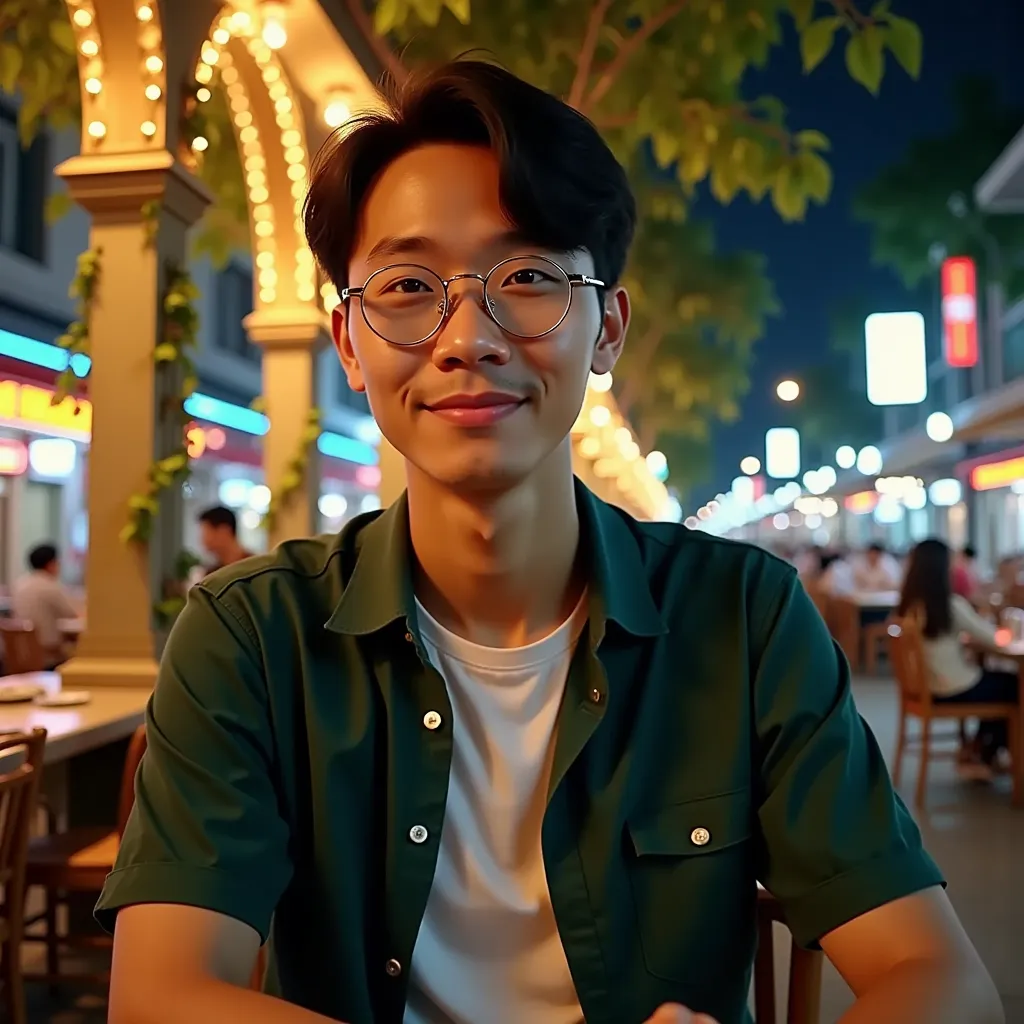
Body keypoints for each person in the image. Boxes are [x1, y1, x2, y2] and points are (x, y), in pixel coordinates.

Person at [98, 61, 1002, 1024]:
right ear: (350, 342)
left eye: (525, 277)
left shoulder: (742, 621)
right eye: (408, 286)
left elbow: (940, 981)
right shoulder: (254, 637)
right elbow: (159, 995)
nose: (466, 336)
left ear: (606, 326)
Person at [898, 538, 1017, 773]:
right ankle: (988, 755)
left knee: (1001, 685)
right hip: (954, 686)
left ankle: (980, 751)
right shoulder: (950, 605)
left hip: (929, 686)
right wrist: (1011, 630)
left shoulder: (910, 606)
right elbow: (996, 639)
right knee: (1013, 686)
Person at [11, 543, 80, 669]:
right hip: (48, 655)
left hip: (21, 655)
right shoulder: (50, 586)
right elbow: (71, 615)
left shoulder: (20, 584)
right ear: (50, 564)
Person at [196, 505, 252, 573]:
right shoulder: (213, 573)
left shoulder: (255, 567)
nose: (203, 540)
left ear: (224, 531)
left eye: (206, 532)